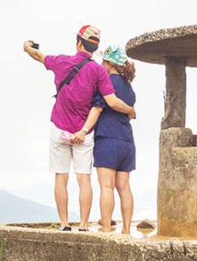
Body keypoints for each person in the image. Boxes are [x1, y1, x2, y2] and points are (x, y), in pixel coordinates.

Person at [23, 26, 136, 232]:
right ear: (95, 48)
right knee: (84, 179)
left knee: (61, 177)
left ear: (78, 43)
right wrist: (130, 110)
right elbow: (108, 101)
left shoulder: (62, 61)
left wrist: (27, 47)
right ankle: (84, 225)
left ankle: (65, 223)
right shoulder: (99, 71)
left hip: (60, 128)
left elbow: (39, 56)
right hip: (85, 131)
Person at [81, 45, 136, 234]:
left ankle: (106, 229)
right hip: (127, 141)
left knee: (106, 186)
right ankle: (127, 229)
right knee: (125, 187)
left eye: (104, 61)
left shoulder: (106, 83)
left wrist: (84, 130)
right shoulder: (129, 87)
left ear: (111, 63)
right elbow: (129, 111)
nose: (101, 64)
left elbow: (97, 109)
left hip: (108, 139)